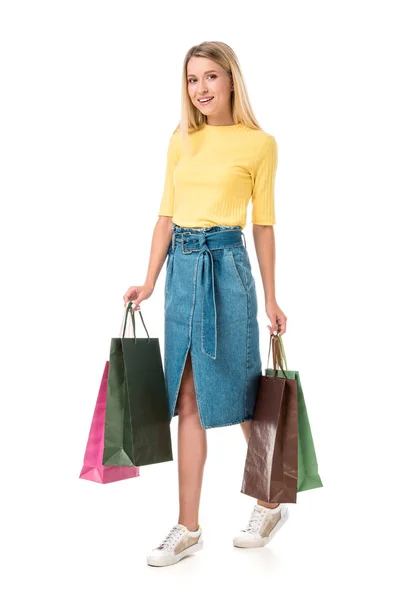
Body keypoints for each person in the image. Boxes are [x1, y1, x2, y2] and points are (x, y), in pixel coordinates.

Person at [123, 41, 288, 568]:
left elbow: (262, 225)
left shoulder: (259, 144)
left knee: (240, 393)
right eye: (193, 79)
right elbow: (165, 217)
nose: (202, 89)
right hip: (181, 272)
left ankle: (269, 499)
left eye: (211, 77)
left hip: (228, 267)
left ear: (231, 81)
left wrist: (272, 296)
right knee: (186, 396)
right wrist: (149, 281)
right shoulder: (181, 139)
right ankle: (187, 527)